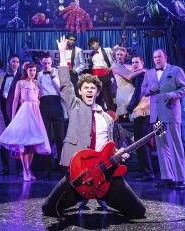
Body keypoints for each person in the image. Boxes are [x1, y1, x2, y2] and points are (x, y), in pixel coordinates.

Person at [42, 36, 146, 219]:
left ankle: (102, 197)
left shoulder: (107, 118)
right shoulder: (74, 106)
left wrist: (120, 152)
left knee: (138, 211)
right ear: (80, 91)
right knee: (49, 209)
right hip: (79, 171)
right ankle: (82, 197)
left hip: (104, 172)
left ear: (98, 93)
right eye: (86, 88)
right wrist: (63, 54)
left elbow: (110, 145)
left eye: (93, 89)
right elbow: (66, 84)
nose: (90, 90)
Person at [142, 49, 185, 189]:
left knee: (175, 145)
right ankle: (167, 177)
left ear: (165, 57)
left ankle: (180, 178)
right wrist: (150, 89)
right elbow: (143, 91)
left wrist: (174, 94)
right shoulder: (149, 73)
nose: (157, 59)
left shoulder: (175, 70)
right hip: (157, 116)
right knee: (162, 146)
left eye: (159, 56)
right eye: (154, 57)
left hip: (170, 114)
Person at [0, 62, 51, 181]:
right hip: (25, 112)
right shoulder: (20, 83)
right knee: (24, 143)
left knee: (32, 144)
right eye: (30, 70)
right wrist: (13, 116)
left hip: (35, 112)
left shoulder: (37, 83)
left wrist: (37, 102)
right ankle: (25, 170)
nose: (32, 72)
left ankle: (28, 170)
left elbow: (38, 99)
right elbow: (15, 100)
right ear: (26, 71)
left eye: (34, 70)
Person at [37, 53, 65, 180]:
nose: (46, 65)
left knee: (61, 138)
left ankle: (62, 167)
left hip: (56, 104)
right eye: (44, 63)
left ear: (52, 62)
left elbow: (61, 91)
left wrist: (54, 76)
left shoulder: (58, 73)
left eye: (48, 63)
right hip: (44, 105)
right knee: (46, 138)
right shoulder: (38, 75)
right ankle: (47, 169)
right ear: (40, 63)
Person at [126, 55, 154, 181]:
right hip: (144, 109)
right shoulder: (143, 74)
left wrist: (130, 108)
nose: (135, 64)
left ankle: (147, 172)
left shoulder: (142, 75)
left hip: (143, 109)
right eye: (133, 63)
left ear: (142, 62)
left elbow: (138, 93)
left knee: (140, 142)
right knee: (141, 141)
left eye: (137, 62)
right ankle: (144, 170)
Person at [0, 54, 23, 176]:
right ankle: (5, 167)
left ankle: (19, 167)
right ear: (8, 62)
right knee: (4, 138)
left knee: (18, 139)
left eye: (17, 62)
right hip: (2, 108)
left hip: (16, 110)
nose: (15, 64)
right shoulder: (3, 76)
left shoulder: (21, 77)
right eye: (13, 61)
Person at [111, 46, 144, 116]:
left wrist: (142, 69)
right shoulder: (115, 67)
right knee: (133, 101)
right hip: (123, 90)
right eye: (118, 55)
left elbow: (136, 67)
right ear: (115, 56)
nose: (119, 56)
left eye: (121, 55)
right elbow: (129, 77)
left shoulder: (127, 66)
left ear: (125, 56)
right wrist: (142, 70)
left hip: (131, 88)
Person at [87, 37, 115, 111]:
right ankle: (96, 115)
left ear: (97, 42)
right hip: (95, 77)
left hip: (104, 75)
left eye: (93, 43)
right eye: (90, 45)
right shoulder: (91, 54)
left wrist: (110, 68)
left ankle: (112, 117)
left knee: (108, 97)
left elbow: (115, 60)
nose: (92, 46)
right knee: (96, 96)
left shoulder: (107, 50)